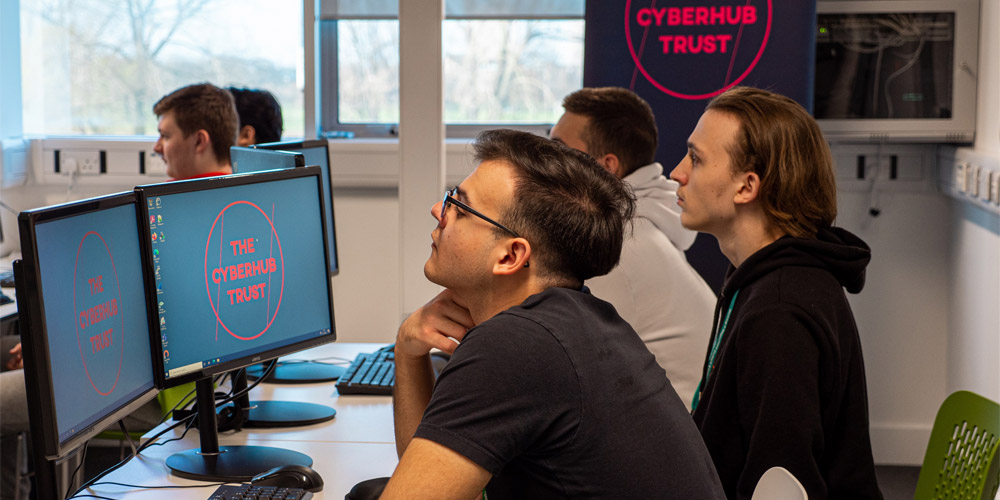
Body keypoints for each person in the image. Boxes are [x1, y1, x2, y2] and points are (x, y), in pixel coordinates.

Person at [382, 129, 725, 499]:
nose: (438, 210)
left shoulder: (515, 346)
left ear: (510, 256)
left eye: (459, 207)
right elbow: (430, 474)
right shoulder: (577, 319)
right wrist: (408, 351)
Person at [669, 86, 882, 500]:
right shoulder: (762, 279)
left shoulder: (779, 311)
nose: (678, 172)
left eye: (696, 158)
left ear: (747, 187)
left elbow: (782, 485)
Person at [550, 87, 715, 409]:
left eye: (559, 150)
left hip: (671, 439)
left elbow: (564, 361)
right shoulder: (637, 221)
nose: (546, 162)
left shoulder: (618, 243)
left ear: (606, 166)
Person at [152, 83, 238, 180]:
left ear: (199, 141)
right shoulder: (244, 189)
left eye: (165, 136)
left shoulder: (172, 193)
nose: (156, 147)